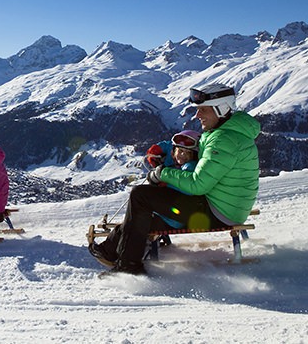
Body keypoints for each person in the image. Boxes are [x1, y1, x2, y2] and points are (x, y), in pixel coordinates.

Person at [89, 83, 260, 275]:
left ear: (221, 109)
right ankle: (111, 250)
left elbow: (197, 184)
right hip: (224, 205)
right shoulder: (228, 133)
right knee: (147, 210)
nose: (197, 115)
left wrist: (163, 173)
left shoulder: (223, 140)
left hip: (217, 211)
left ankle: (128, 266)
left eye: (203, 110)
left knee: (141, 196)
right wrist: (167, 155)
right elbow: (198, 156)